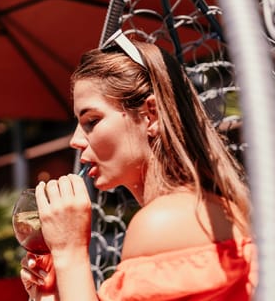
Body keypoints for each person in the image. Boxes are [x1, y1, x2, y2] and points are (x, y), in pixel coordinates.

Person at [20, 30, 257, 301]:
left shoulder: (165, 222)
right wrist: (51, 294)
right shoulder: (203, 209)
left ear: (151, 115)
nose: (75, 140)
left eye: (92, 121)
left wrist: (69, 254)